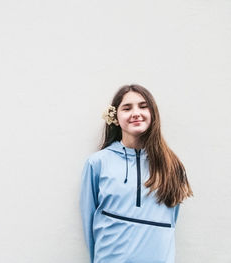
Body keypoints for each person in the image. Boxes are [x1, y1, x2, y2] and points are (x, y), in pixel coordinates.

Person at [80, 84, 193, 263]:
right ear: (115, 116)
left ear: (153, 113)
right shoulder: (98, 163)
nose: (136, 113)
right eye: (127, 108)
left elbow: (171, 221)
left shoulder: (172, 165)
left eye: (143, 106)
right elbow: (89, 221)